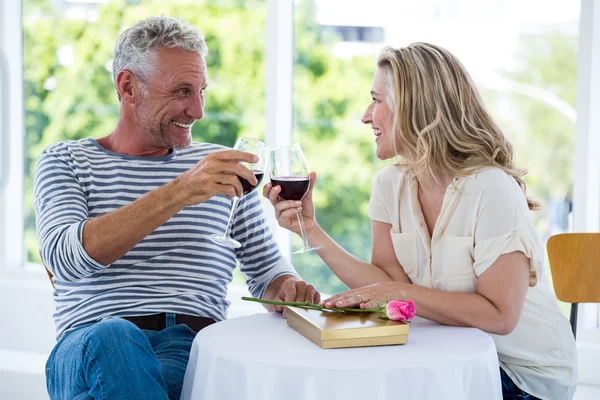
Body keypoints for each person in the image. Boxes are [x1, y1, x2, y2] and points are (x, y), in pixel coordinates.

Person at [264, 43, 576, 400]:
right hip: (445, 361)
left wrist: (400, 294)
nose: (366, 116)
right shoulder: (389, 183)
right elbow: (387, 282)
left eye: (377, 100)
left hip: (520, 374)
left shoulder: (491, 188)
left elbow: (501, 316)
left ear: (413, 107)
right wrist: (310, 230)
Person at [35, 16, 319, 400]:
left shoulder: (221, 168)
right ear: (128, 86)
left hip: (189, 345)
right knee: (115, 337)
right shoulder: (66, 160)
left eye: (202, 91)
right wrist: (180, 190)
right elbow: (64, 259)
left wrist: (288, 287)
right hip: (87, 346)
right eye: (182, 91)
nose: (198, 110)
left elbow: (266, 270)